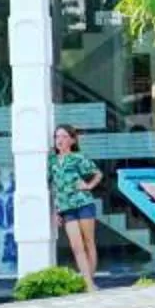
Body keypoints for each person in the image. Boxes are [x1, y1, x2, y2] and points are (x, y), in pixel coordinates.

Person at [51, 122, 105, 288]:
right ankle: (88, 283)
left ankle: (89, 283)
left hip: (83, 203)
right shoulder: (52, 161)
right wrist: (55, 211)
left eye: (64, 136)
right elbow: (53, 187)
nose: (60, 140)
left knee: (88, 243)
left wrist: (88, 186)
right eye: (57, 136)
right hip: (66, 208)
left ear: (72, 140)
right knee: (76, 247)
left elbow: (98, 174)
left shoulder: (78, 157)